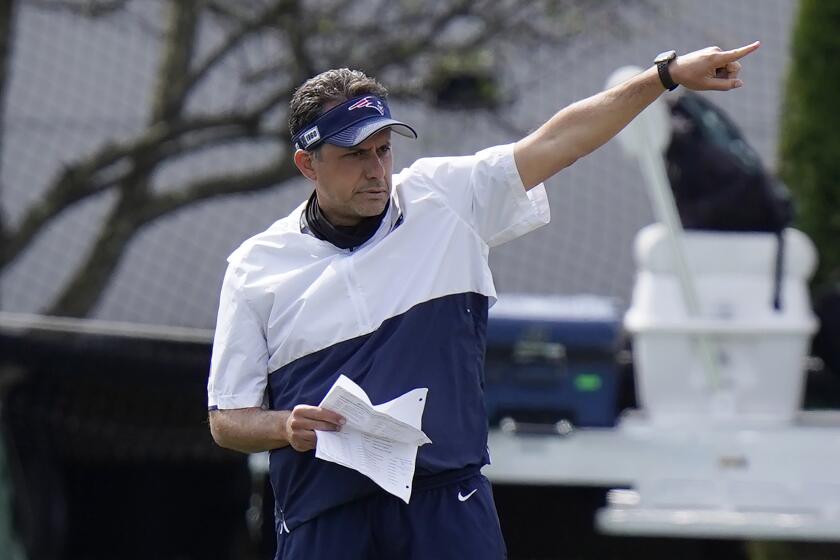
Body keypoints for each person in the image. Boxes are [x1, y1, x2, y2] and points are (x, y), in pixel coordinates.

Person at [207, 41, 761, 559]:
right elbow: (227, 420)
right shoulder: (255, 267)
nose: (377, 171)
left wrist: (662, 77)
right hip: (323, 515)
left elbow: (559, 141)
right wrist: (285, 427)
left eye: (383, 150)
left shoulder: (442, 196)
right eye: (355, 156)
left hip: (447, 503)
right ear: (308, 165)